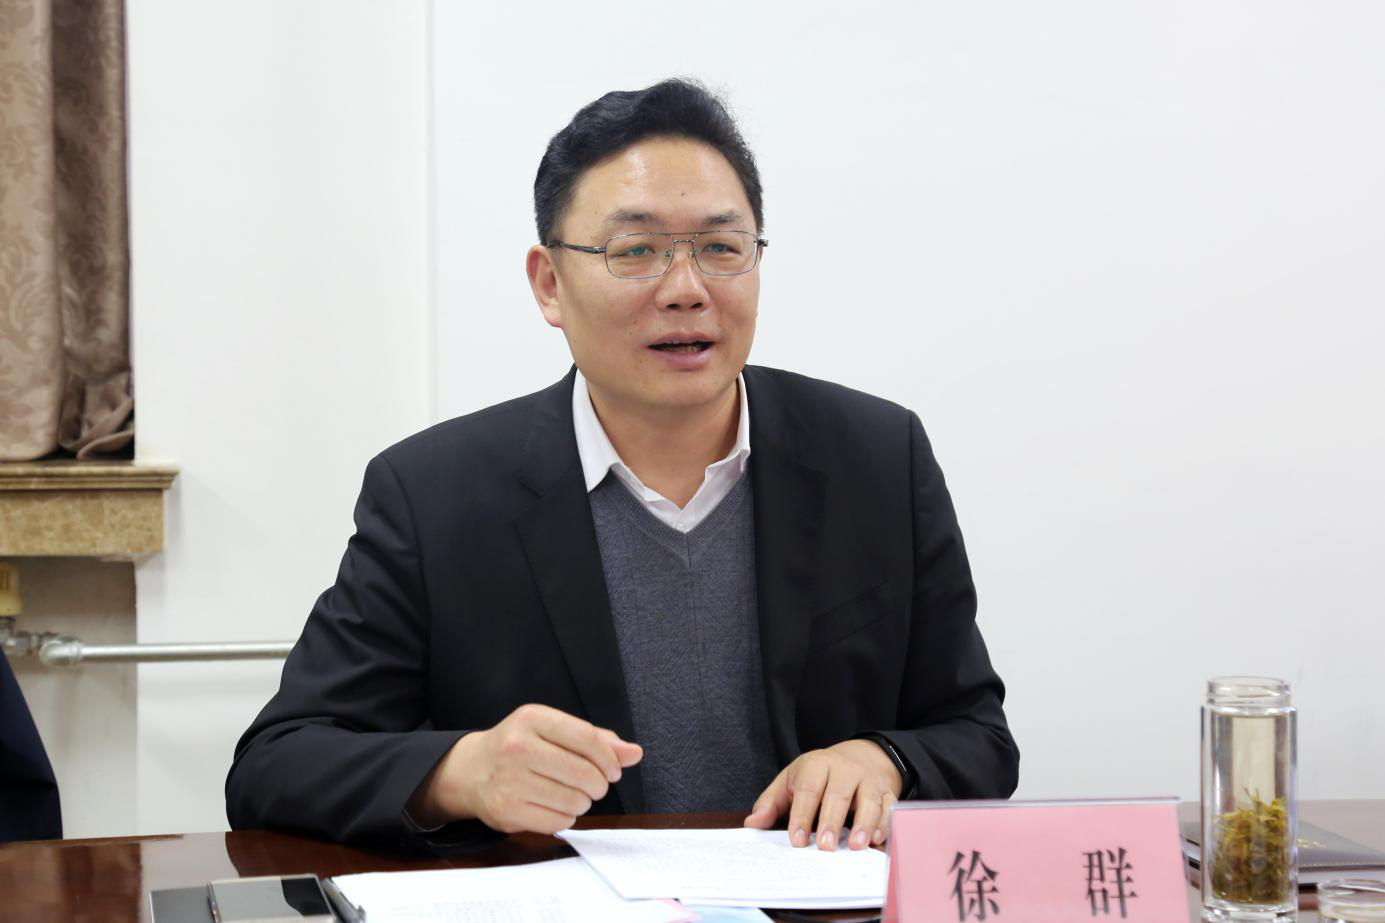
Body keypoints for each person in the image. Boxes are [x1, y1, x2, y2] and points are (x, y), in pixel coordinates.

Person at [226, 78, 1018, 854]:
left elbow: (976, 734)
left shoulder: (876, 457)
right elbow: (276, 763)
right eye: (635, 251)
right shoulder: (434, 494)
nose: (686, 289)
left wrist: (884, 758)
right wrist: (459, 772)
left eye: (721, 248)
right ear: (549, 284)